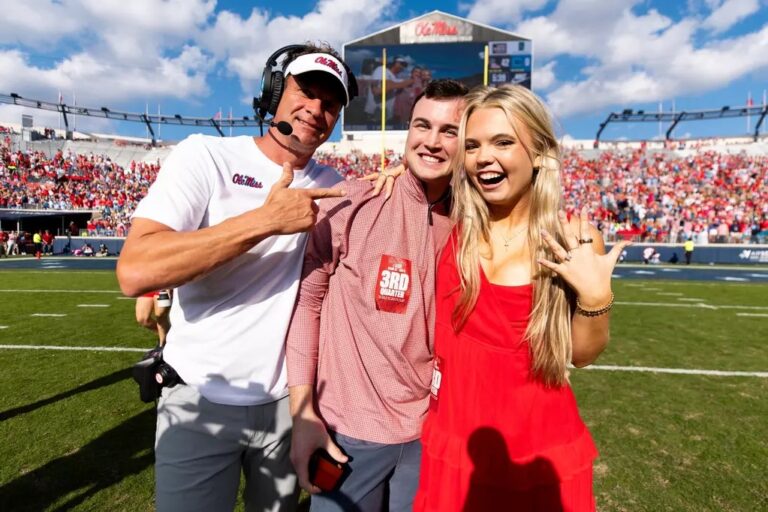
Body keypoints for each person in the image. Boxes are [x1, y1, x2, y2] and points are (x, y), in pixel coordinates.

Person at [116, 42, 355, 512]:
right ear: (273, 90)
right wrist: (265, 221)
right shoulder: (207, 156)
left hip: (290, 407)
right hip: (200, 399)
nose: (316, 109)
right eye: (305, 91)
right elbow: (135, 269)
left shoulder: (335, 184)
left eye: (330, 104)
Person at [413, 85, 629, 511]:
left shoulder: (572, 239)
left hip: (537, 454)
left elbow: (582, 355)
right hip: (453, 444)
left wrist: (595, 296)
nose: (482, 157)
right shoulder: (452, 224)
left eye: (503, 142)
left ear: (541, 154)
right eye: (472, 145)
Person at [286, 79, 468, 512]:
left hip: (431, 436)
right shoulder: (353, 202)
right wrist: (302, 413)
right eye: (422, 126)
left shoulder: (474, 223)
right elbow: (306, 306)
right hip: (348, 437)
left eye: (450, 131)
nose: (432, 141)